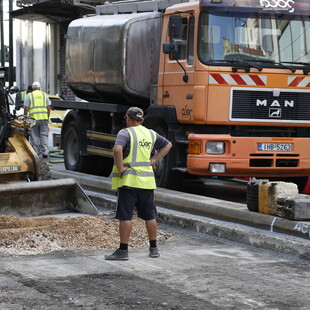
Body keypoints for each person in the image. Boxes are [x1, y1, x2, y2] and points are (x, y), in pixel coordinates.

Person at [105, 107, 172, 260]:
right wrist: (154, 159)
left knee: (125, 216)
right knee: (150, 216)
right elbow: (168, 145)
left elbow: (117, 150)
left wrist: (121, 167)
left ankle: (123, 251)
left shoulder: (125, 133)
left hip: (129, 182)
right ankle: (154, 248)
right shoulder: (151, 133)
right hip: (147, 182)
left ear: (128, 117)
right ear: (141, 120)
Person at [23, 81, 51, 158]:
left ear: (32, 88)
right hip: (43, 118)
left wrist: (25, 118)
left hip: (33, 119)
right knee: (44, 135)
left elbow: (26, 108)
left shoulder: (29, 95)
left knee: (34, 135)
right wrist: (47, 117)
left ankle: (36, 151)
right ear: (39, 88)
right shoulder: (44, 95)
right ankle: (45, 151)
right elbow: (48, 108)